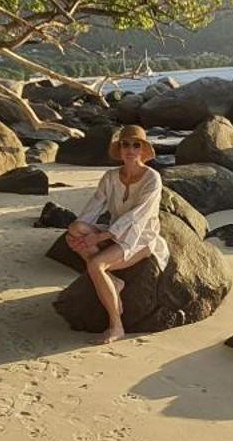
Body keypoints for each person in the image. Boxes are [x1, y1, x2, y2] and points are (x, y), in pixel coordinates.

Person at [66, 125, 171, 343]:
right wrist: (80, 235)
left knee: (95, 265)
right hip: (115, 233)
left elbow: (136, 217)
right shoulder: (110, 176)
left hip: (140, 237)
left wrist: (97, 238)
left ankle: (116, 326)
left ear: (143, 149)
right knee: (73, 231)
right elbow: (93, 208)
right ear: (120, 148)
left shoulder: (152, 178)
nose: (130, 149)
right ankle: (112, 281)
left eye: (136, 144)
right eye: (125, 144)